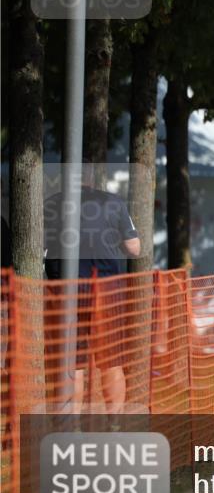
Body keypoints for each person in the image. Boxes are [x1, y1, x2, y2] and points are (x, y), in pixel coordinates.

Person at [42, 169, 142, 415]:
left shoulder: (52, 203)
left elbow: (39, 245)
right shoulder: (113, 203)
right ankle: (115, 425)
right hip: (106, 292)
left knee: (72, 364)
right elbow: (134, 248)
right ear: (93, 180)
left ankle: (71, 427)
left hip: (65, 292)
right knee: (111, 361)